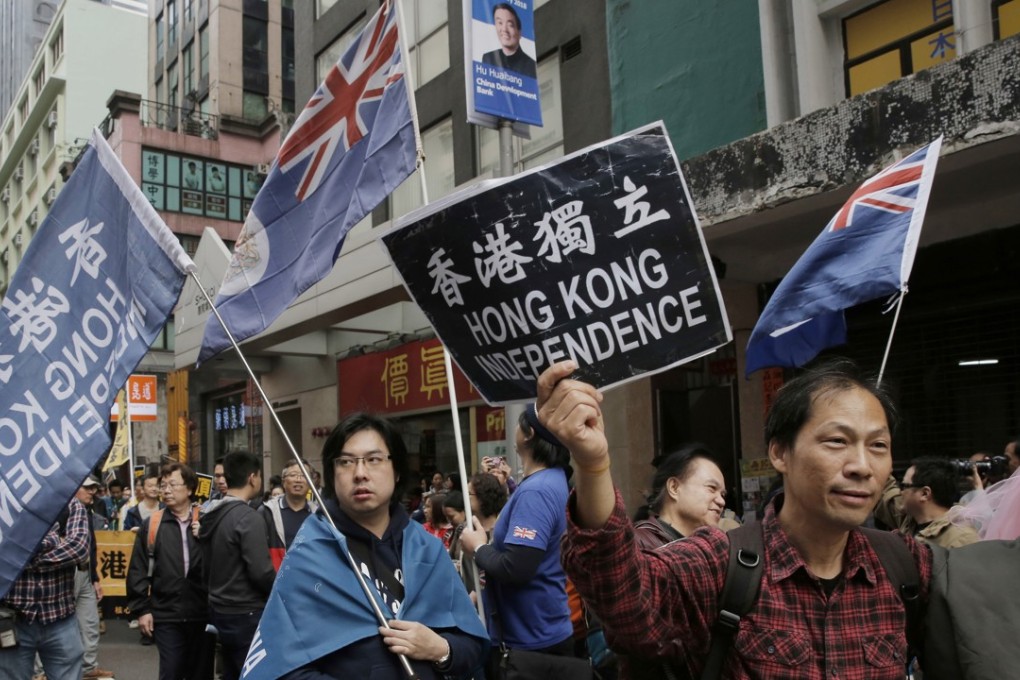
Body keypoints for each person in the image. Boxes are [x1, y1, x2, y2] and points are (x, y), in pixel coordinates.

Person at [543, 357, 933, 679]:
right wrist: (593, 464)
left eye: (878, 446)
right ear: (780, 453)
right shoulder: (720, 564)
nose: (862, 466)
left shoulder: (906, 565)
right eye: (837, 441)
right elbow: (625, 597)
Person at [242, 412, 488, 679]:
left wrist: (440, 649)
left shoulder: (427, 549)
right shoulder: (310, 553)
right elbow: (279, 668)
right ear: (331, 476)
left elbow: (473, 647)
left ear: (396, 472)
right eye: (346, 462)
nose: (360, 473)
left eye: (373, 459)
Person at [460, 404, 576, 674]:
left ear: (528, 434)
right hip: (542, 628)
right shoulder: (550, 480)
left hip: (530, 641)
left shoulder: (536, 491)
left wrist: (477, 547)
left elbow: (516, 567)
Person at [127, 463, 210, 680]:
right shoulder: (152, 524)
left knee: (200, 674)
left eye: (173, 484)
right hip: (166, 613)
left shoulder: (207, 519)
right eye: (163, 485)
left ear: (190, 488)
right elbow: (138, 568)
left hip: (203, 613)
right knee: (171, 671)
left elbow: (222, 561)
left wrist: (206, 537)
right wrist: (142, 610)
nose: (166, 490)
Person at [199, 451, 276, 680]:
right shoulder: (247, 517)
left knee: (231, 672)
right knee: (254, 672)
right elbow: (261, 572)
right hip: (246, 612)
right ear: (253, 477)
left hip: (219, 609)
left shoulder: (210, 514)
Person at [0, 496, 90, 680]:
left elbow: (79, 548)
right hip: (14, 618)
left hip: (61, 617)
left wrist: (24, 557)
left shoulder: (70, 503)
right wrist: (55, 540)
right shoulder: (5, 503)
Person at [632, 444, 728, 551]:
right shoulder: (637, 546)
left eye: (723, 494)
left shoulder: (713, 549)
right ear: (674, 488)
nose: (721, 501)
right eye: (712, 488)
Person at [875, 457, 979, 549]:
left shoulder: (962, 538)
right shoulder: (909, 520)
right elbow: (886, 491)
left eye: (904, 486)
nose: (900, 492)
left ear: (925, 493)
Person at [74, 477, 115, 679]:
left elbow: (91, 548)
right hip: (65, 575)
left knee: (90, 623)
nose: (92, 492)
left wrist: (95, 578)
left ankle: (88, 668)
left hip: (85, 574)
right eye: (87, 488)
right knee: (54, 627)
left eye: (94, 488)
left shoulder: (87, 512)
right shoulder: (60, 511)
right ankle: (40, 671)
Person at [260, 458, 317, 569]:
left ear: (311, 482)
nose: (298, 480)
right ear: (283, 482)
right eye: (293, 475)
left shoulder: (318, 515)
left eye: (303, 475)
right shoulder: (267, 512)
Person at [481, 3, 537, 79]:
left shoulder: (531, 66)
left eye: (510, 25)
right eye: (500, 23)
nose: (504, 29)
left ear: (520, 32)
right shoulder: (488, 58)